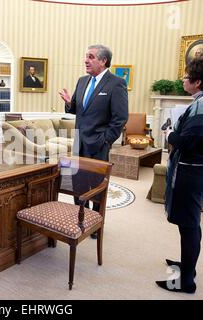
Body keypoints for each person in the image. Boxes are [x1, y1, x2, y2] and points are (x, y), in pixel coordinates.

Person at [156, 56, 203, 294]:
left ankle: (186, 282)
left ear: (197, 82)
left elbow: (188, 142)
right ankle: (188, 267)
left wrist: (170, 133)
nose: (183, 80)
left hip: (193, 173)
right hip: (198, 171)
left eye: (186, 77)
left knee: (189, 225)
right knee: (190, 223)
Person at [59, 44, 128, 238]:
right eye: (86, 56)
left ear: (103, 60)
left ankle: (96, 223)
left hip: (98, 144)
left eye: (90, 57)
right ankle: (81, 218)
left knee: (97, 186)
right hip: (79, 141)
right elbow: (78, 110)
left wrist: (105, 141)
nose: (86, 60)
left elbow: (120, 118)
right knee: (78, 182)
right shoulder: (82, 81)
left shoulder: (116, 83)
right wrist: (68, 103)